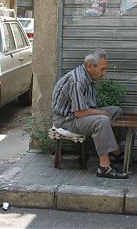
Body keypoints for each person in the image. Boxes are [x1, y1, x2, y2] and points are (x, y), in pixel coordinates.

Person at [52, 48, 128, 179]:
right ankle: (104, 167)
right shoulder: (78, 80)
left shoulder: (88, 76)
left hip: (77, 115)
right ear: (89, 66)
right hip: (66, 120)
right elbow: (80, 113)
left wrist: (102, 112)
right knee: (101, 120)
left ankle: (114, 154)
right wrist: (101, 113)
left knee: (117, 111)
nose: (104, 73)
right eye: (102, 69)